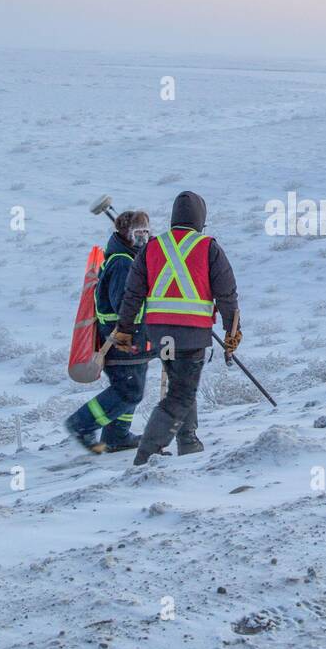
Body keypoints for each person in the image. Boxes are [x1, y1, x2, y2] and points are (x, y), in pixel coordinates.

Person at [112, 191, 242, 465]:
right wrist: (232, 334)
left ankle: (188, 441)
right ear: (200, 219)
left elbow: (132, 294)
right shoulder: (209, 248)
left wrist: (124, 328)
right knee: (181, 393)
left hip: (159, 334)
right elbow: (227, 296)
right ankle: (146, 455)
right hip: (191, 333)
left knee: (181, 385)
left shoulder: (152, 247)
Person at [64, 210, 155, 453]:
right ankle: (81, 423)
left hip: (134, 339)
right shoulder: (123, 263)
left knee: (133, 388)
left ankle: (117, 436)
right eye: (139, 233)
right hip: (123, 340)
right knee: (128, 392)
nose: (144, 238)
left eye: (146, 232)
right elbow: (124, 304)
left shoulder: (128, 258)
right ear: (126, 234)